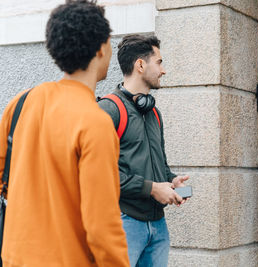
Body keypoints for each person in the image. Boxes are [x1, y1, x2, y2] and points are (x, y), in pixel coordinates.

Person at [0, 1, 130, 266]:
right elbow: (101, 227)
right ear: (101, 48)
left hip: (15, 257)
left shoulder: (22, 102)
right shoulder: (95, 122)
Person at [98, 34, 189, 267]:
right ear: (140, 65)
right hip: (123, 223)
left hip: (158, 226)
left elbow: (161, 164)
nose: (163, 70)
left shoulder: (154, 113)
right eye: (158, 62)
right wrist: (151, 188)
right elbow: (99, 176)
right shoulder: (109, 110)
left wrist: (170, 181)